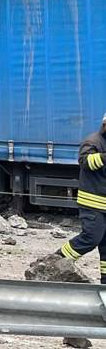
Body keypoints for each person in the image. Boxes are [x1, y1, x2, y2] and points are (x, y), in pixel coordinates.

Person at [57, 112, 106, 282]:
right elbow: (85, 162)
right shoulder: (93, 141)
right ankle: (57, 261)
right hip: (93, 203)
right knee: (91, 238)